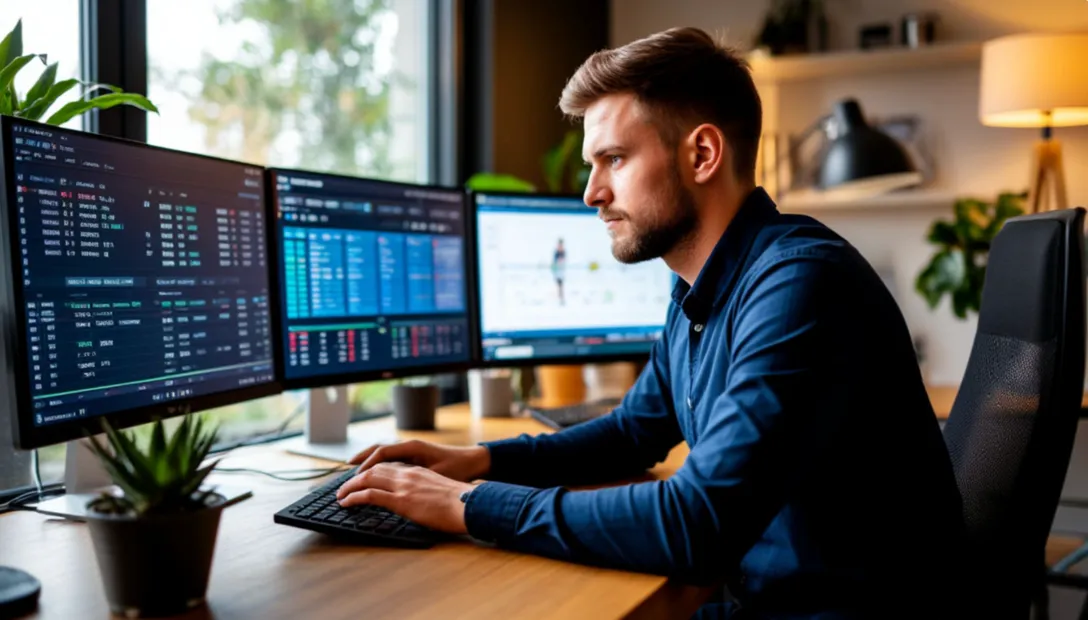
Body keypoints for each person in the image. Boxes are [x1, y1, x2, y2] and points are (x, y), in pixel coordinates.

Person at [336, 27, 966, 619]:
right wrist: (474, 461)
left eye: (612, 159)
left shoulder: (799, 284)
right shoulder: (701, 286)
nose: (591, 192)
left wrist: (467, 507)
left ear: (702, 154)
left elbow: (696, 525)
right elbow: (632, 433)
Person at [552, 238, 566, 305]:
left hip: (561, 270)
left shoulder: (563, 252)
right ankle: (559, 296)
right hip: (557, 270)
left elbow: (563, 260)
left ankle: (561, 296)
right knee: (559, 283)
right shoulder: (557, 253)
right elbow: (554, 262)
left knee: (561, 283)